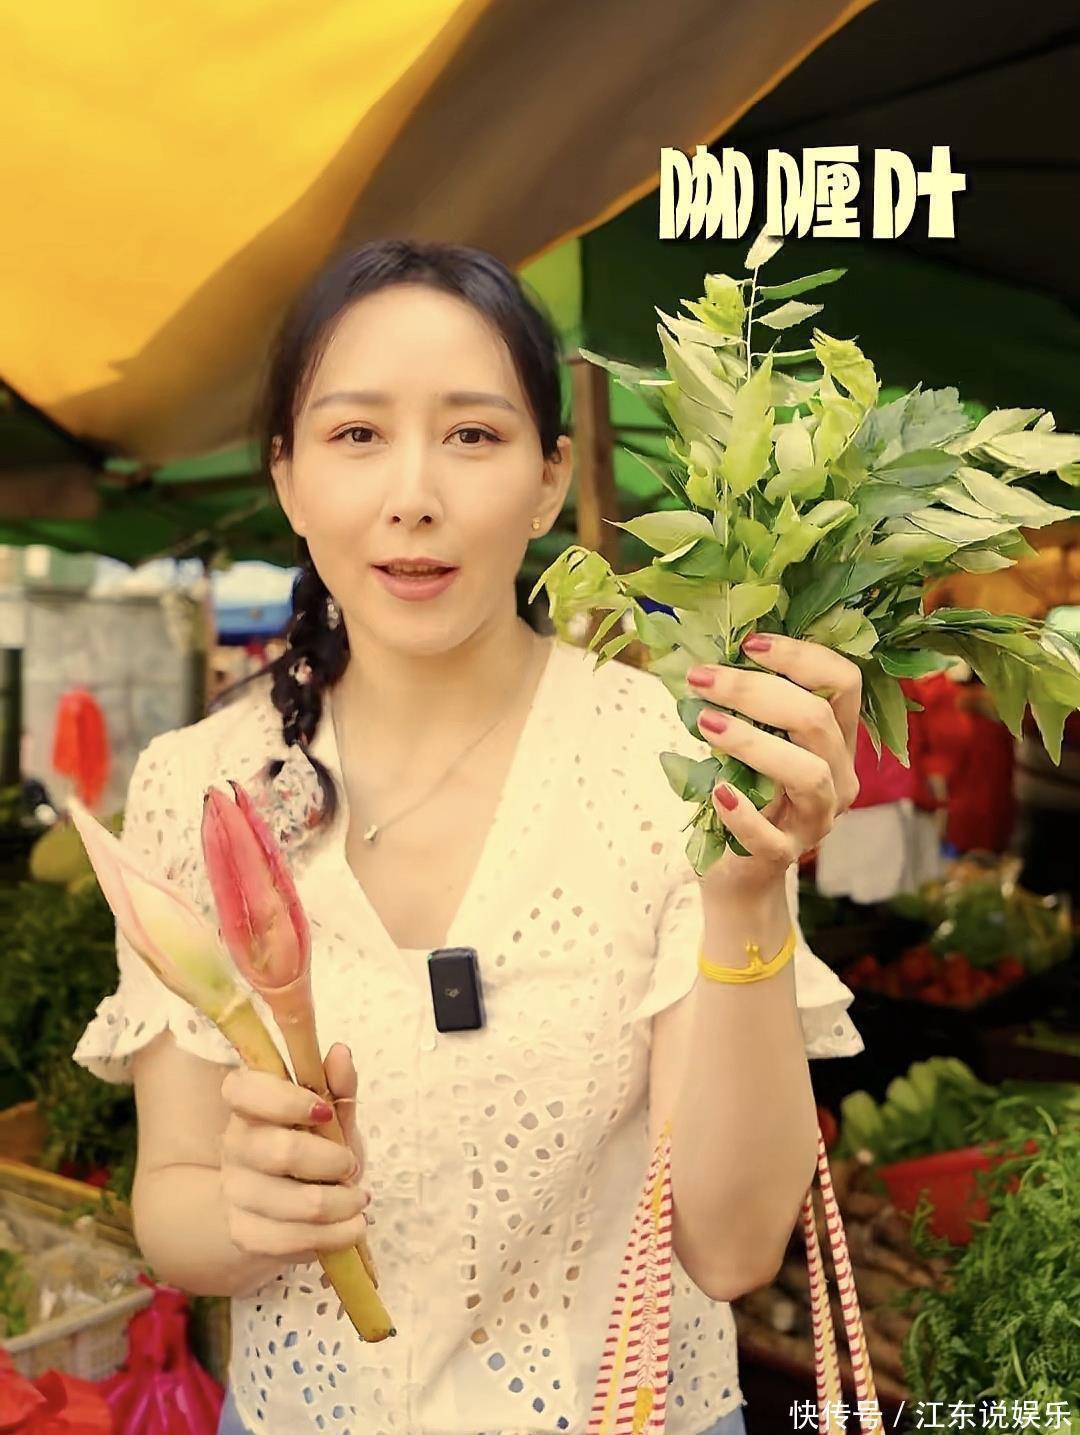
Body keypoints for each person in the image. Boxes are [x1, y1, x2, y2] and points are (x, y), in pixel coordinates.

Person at [73, 239, 864, 1435]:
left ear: (550, 480)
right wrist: (244, 1210)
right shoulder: (199, 784)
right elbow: (169, 1201)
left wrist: (752, 895)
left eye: (472, 434)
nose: (414, 494)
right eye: (356, 433)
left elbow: (732, 1244)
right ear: (287, 477)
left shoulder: (673, 762)